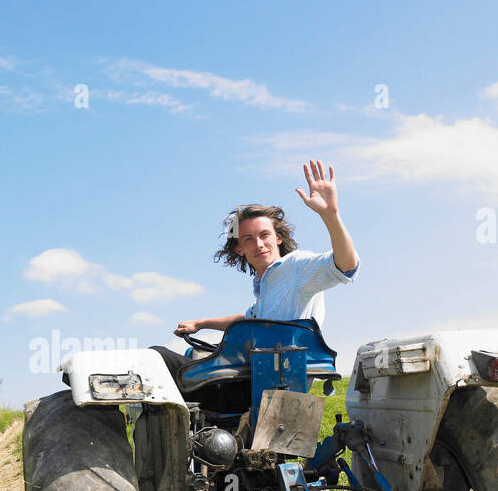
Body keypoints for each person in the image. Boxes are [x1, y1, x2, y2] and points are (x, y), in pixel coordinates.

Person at [153, 159, 360, 383]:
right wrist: (200, 324)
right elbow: (246, 319)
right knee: (192, 356)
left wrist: (331, 216)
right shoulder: (265, 285)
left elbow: (346, 264)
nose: (259, 244)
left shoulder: (296, 267)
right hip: (255, 376)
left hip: (273, 381)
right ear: (240, 249)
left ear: (278, 238)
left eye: (264, 235)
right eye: (249, 239)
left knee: (156, 357)